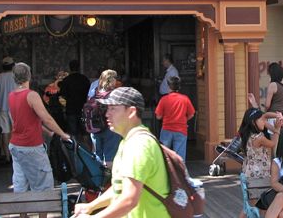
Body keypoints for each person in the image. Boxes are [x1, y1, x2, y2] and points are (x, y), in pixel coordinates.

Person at [73, 87, 170, 218]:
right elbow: (120, 188)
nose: (107, 114)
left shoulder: (139, 145)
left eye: (113, 108)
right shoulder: (127, 141)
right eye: (108, 109)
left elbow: (129, 200)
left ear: (131, 112)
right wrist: (91, 206)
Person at [9, 62, 71, 206]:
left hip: (15, 145)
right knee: (44, 186)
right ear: (29, 76)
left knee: (20, 186)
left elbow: (23, 120)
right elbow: (47, 118)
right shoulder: (32, 95)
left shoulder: (11, 95)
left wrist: (48, 132)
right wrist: (62, 134)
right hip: (31, 146)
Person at [154, 76, 195, 161]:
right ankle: (180, 173)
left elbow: (158, 116)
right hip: (181, 129)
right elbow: (191, 114)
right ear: (179, 86)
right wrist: (184, 120)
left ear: (168, 86)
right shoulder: (185, 99)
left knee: (164, 155)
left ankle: (166, 173)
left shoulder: (164, 99)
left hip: (167, 129)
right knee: (180, 157)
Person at [90, 69, 122, 166]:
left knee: (97, 156)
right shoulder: (114, 94)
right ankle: (109, 180)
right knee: (110, 157)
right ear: (112, 80)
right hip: (110, 128)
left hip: (95, 127)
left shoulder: (95, 91)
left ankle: (98, 178)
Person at [0, 56, 17, 162]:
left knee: (5, 133)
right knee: (16, 132)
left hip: (2, 108)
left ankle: (7, 156)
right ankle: (16, 157)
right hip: (16, 109)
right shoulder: (16, 77)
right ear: (13, 66)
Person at [59, 59, 91, 142]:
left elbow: (62, 94)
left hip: (71, 109)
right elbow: (89, 94)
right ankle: (88, 151)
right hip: (83, 109)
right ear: (79, 68)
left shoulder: (66, 80)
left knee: (72, 133)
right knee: (85, 132)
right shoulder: (85, 79)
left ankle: (74, 150)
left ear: (70, 68)